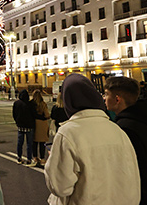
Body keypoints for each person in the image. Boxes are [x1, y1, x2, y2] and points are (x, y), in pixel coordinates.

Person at [44, 74, 140, 205]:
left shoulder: (68, 133)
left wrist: (52, 161)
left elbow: (60, 187)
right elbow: (132, 178)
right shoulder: (117, 130)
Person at [104, 76, 147, 204]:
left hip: (142, 198)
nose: (104, 98)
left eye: (106, 94)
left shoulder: (125, 129)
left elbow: (127, 173)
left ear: (117, 99)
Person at [12, 89, 37, 165]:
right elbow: (34, 114)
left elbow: (14, 114)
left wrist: (17, 121)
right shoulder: (31, 104)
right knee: (29, 144)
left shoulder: (17, 103)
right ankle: (29, 159)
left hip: (20, 126)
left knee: (20, 143)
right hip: (29, 126)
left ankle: (19, 158)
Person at [32, 89, 49, 166]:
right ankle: (42, 159)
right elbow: (47, 115)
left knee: (34, 142)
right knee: (42, 143)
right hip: (42, 124)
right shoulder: (43, 104)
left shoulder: (31, 104)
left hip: (34, 124)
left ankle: (35, 158)